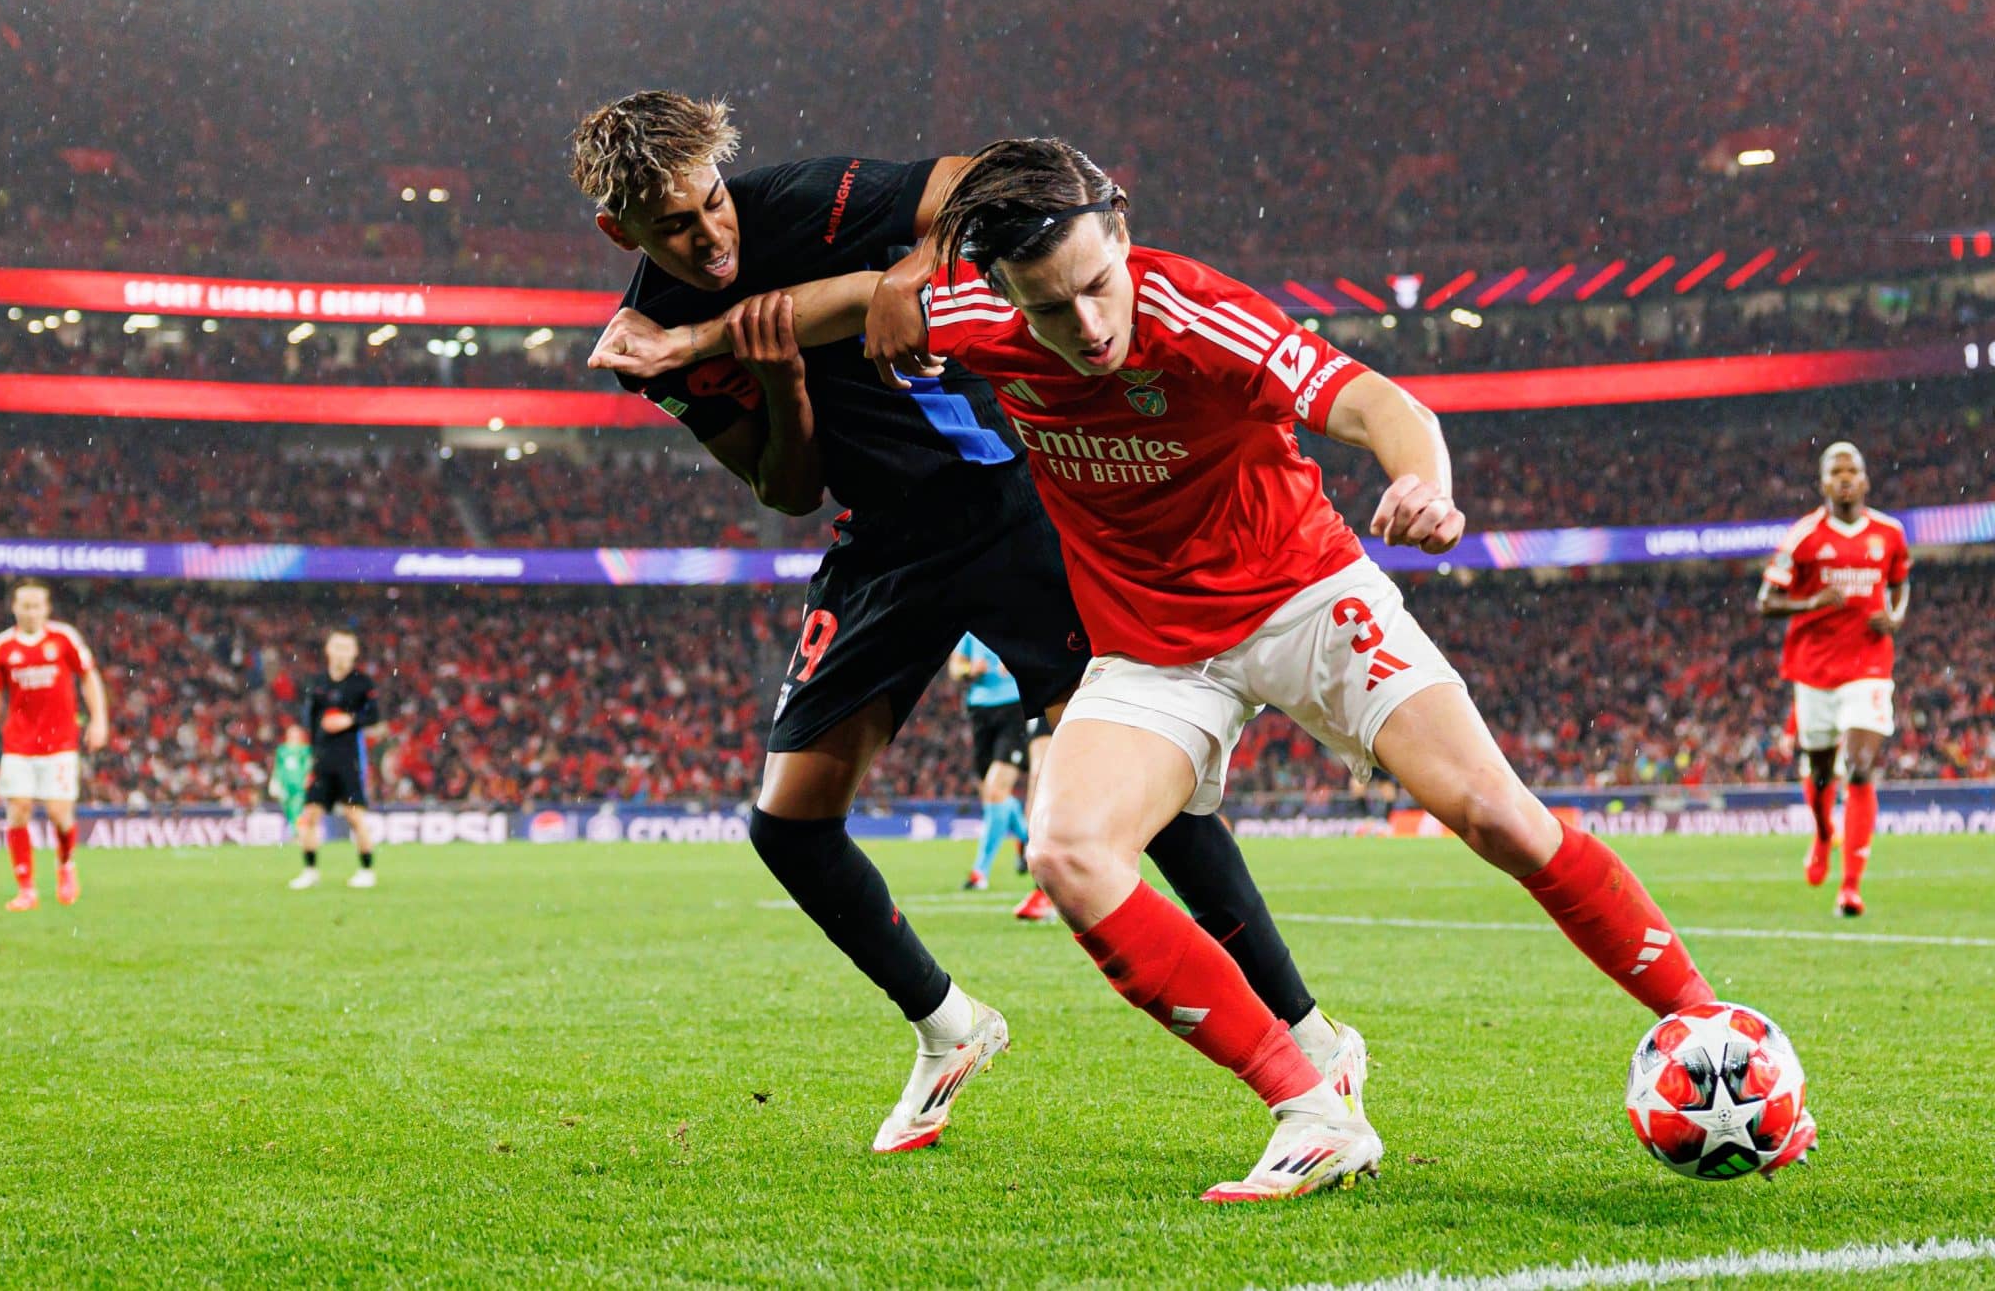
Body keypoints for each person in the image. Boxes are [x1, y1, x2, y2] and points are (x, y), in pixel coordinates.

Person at [696, 137, 1811, 1198]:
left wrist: (1421, 482)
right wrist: (677, 346)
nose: (1085, 324)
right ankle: (1312, 1109)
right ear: (999, 288)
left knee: (1496, 817)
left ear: (1119, 231)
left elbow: (1380, 402)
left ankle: (1712, 1033)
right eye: (1050, 305)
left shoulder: (1198, 314)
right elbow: (827, 305)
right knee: (1071, 854)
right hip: (1149, 647)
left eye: (1096, 284)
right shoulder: (975, 309)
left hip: (1304, 599)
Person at [572, 92, 1357, 1154]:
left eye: (710, 202)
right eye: (675, 227)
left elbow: (979, 175)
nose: (710, 234)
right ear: (622, 233)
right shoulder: (649, 338)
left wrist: (908, 267)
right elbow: (784, 486)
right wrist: (780, 381)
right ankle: (948, 1027)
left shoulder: (801, 200)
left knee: (1137, 780)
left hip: (999, 502)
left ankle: (1309, 1037)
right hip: (883, 542)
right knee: (786, 824)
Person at [1757, 442, 1910, 916]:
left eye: (1853, 470)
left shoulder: (1889, 533)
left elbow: (1901, 581)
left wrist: (1897, 616)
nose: (1845, 478)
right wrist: (1809, 603)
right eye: (1836, 471)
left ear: (1865, 479)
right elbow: (1766, 601)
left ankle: (1851, 886)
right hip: (1815, 670)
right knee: (1822, 775)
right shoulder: (1803, 537)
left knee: (1861, 766)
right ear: (1823, 483)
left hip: (1869, 665)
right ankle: (1824, 834)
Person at [0, 578, 108, 911]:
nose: (31, 611)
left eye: (36, 605)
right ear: (14, 607)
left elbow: (89, 676)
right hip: (18, 743)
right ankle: (26, 889)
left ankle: (65, 865)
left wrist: (99, 719)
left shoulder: (63, 638)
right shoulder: (2, 646)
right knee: (18, 810)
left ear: (46, 608)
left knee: (59, 813)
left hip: (59, 742)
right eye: (25, 605)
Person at [289, 630, 385, 891]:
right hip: (322, 761)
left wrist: (350, 720)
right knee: (308, 817)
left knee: (355, 818)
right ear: (329, 650)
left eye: (347, 647)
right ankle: (310, 870)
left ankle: (367, 870)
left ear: (354, 653)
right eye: (338, 646)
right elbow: (309, 719)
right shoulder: (318, 682)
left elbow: (375, 717)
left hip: (349, 761)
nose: (342, 652)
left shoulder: (362, 684)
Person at [949, 633, 1030, 892]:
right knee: (990, 794)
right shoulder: (970, 631)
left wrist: (1020, 662)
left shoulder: (1016, 618)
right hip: (980, 712)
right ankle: (1028, 839)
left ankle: (979, 872)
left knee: (996, 791)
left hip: (1015, 708)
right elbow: (955, 667)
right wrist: (969, 669)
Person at [269, 723, 315, 844]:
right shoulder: (282, 750)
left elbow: (308, 765)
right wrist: (275, 781)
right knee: (288, 809)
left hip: (299, 784)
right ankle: (295, 832)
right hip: (285, 784)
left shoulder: (305, 750)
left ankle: (298, 833)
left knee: (298, 809)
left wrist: (307, 778)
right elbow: (278, 768)